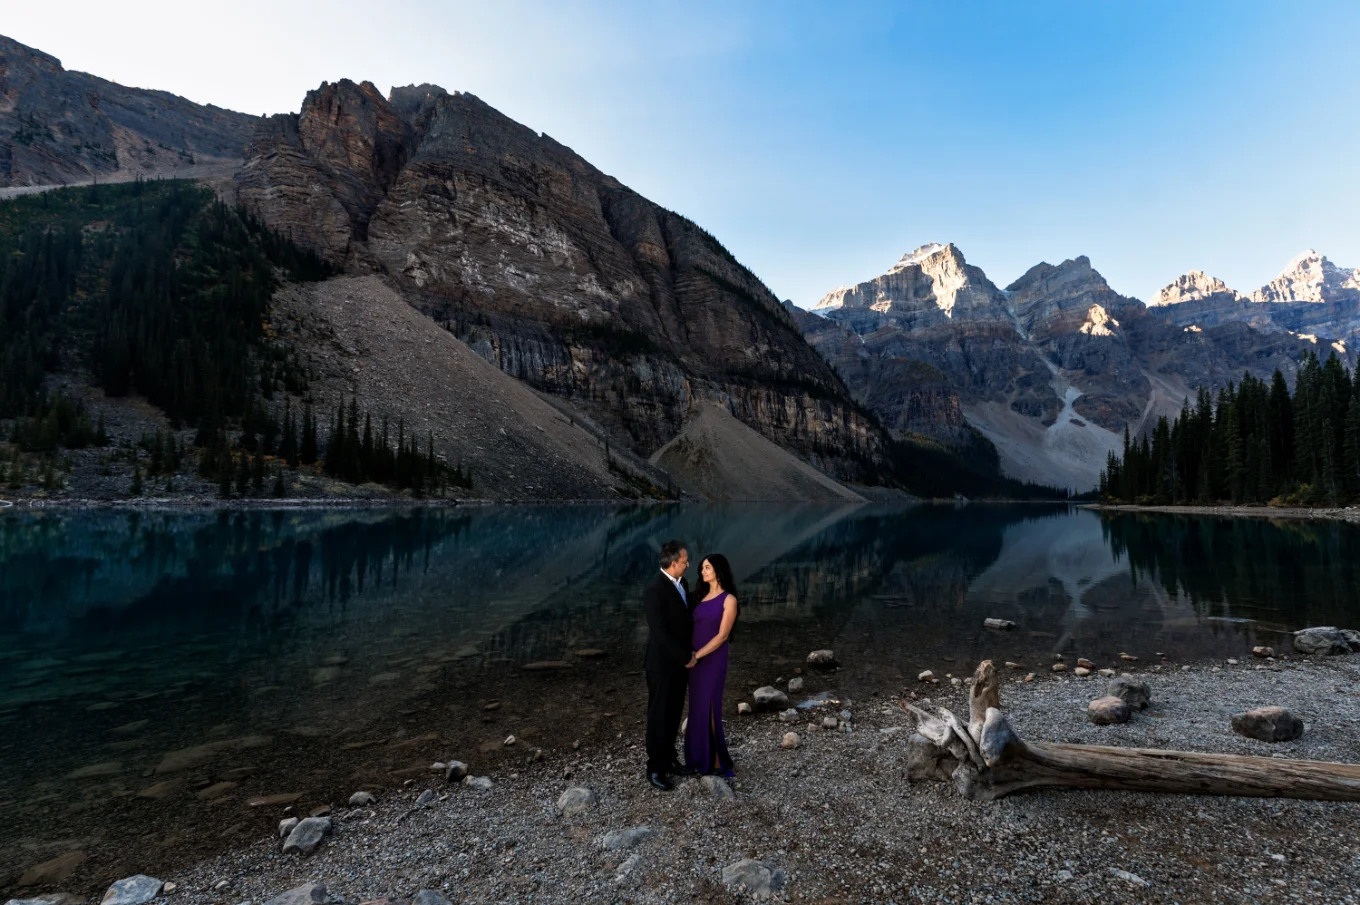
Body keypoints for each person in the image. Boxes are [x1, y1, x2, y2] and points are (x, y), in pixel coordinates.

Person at [642, 539, 694, 791]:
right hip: (661, 665)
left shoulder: (682, 583)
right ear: (673, 563)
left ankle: (670, 759)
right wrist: (686, 656)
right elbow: (660, 633)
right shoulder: (655, 589)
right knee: (658, 716)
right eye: (685, 561)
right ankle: (655, 768)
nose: (688, 565)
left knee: (673, 713)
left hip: (679, 665)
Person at [684, 553, 737, 776]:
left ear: (718, 570)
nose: (702, 572)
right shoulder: (700, 596)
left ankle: (716, 760)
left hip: (712, 661)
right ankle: (697, 758)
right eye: (702, 569)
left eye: (707, 568)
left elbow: (722, 636)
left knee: (711, 707)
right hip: (694, 662)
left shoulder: (729, 600)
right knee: (696, 707)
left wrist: (698, 655)